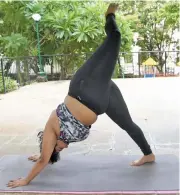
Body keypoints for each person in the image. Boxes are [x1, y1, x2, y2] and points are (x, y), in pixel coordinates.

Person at [7, 3, 155, 188]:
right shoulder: (56, 141)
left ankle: (110, 16)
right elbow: (45, 155)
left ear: (51, 143)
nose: (65, 146)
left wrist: (25, 180)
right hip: (101, 99)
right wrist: (43, 153)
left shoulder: (50, 131)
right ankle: (148, 154)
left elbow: (44, 159)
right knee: (129, 125)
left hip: (84, 87)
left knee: (115, 38)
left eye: (59, 147)